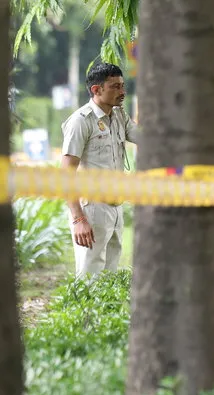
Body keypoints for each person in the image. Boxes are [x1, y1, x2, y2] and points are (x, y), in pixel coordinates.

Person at [61, 63, 137, 280]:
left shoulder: (119, 116)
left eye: (123, 86)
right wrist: (78, 219)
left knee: (109, 280)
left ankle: (105, 315)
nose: (122, 92)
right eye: (115, 87)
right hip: (92, 210)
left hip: (115, 208)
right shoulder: (80, 122)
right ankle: (85, 316)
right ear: (96, 90)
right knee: (89, 279)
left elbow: (146, 138)